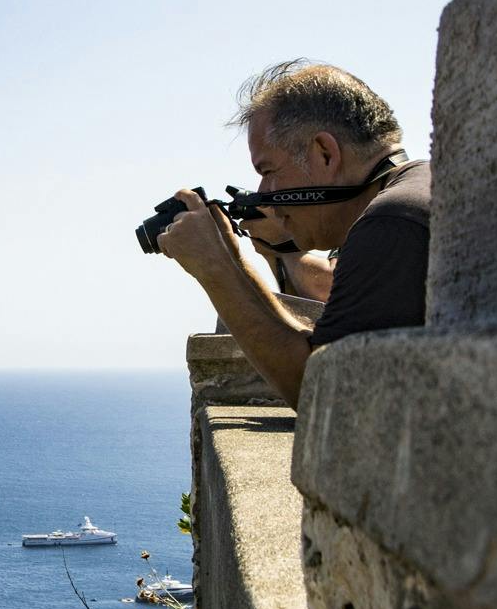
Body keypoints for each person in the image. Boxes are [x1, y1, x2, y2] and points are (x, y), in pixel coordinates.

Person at [157, 59, 431, 406]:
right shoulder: (416, 190)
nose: (263, 192)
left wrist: (214, 268)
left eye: (268, 171)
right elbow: (319, 350)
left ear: (325, 154)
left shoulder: (391, 223)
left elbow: (323, 397)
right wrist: (233, 259)